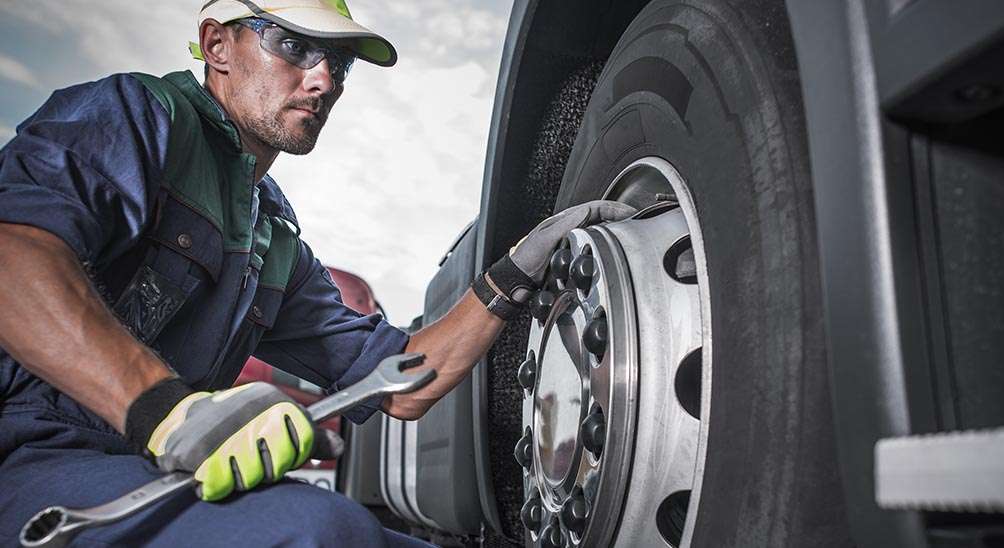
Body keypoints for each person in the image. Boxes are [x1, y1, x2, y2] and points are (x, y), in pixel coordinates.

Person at [0, 0, 634, 545]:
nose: (324, 79)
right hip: (32, 458)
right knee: (320, 534)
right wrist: (169, 411)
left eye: (341, 63)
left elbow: (404, 382)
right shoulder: (138, 116)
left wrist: (512, 274)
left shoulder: (273, 241)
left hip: (151, 469)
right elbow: (13, 259)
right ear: (217, 45)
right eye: (293, 45)